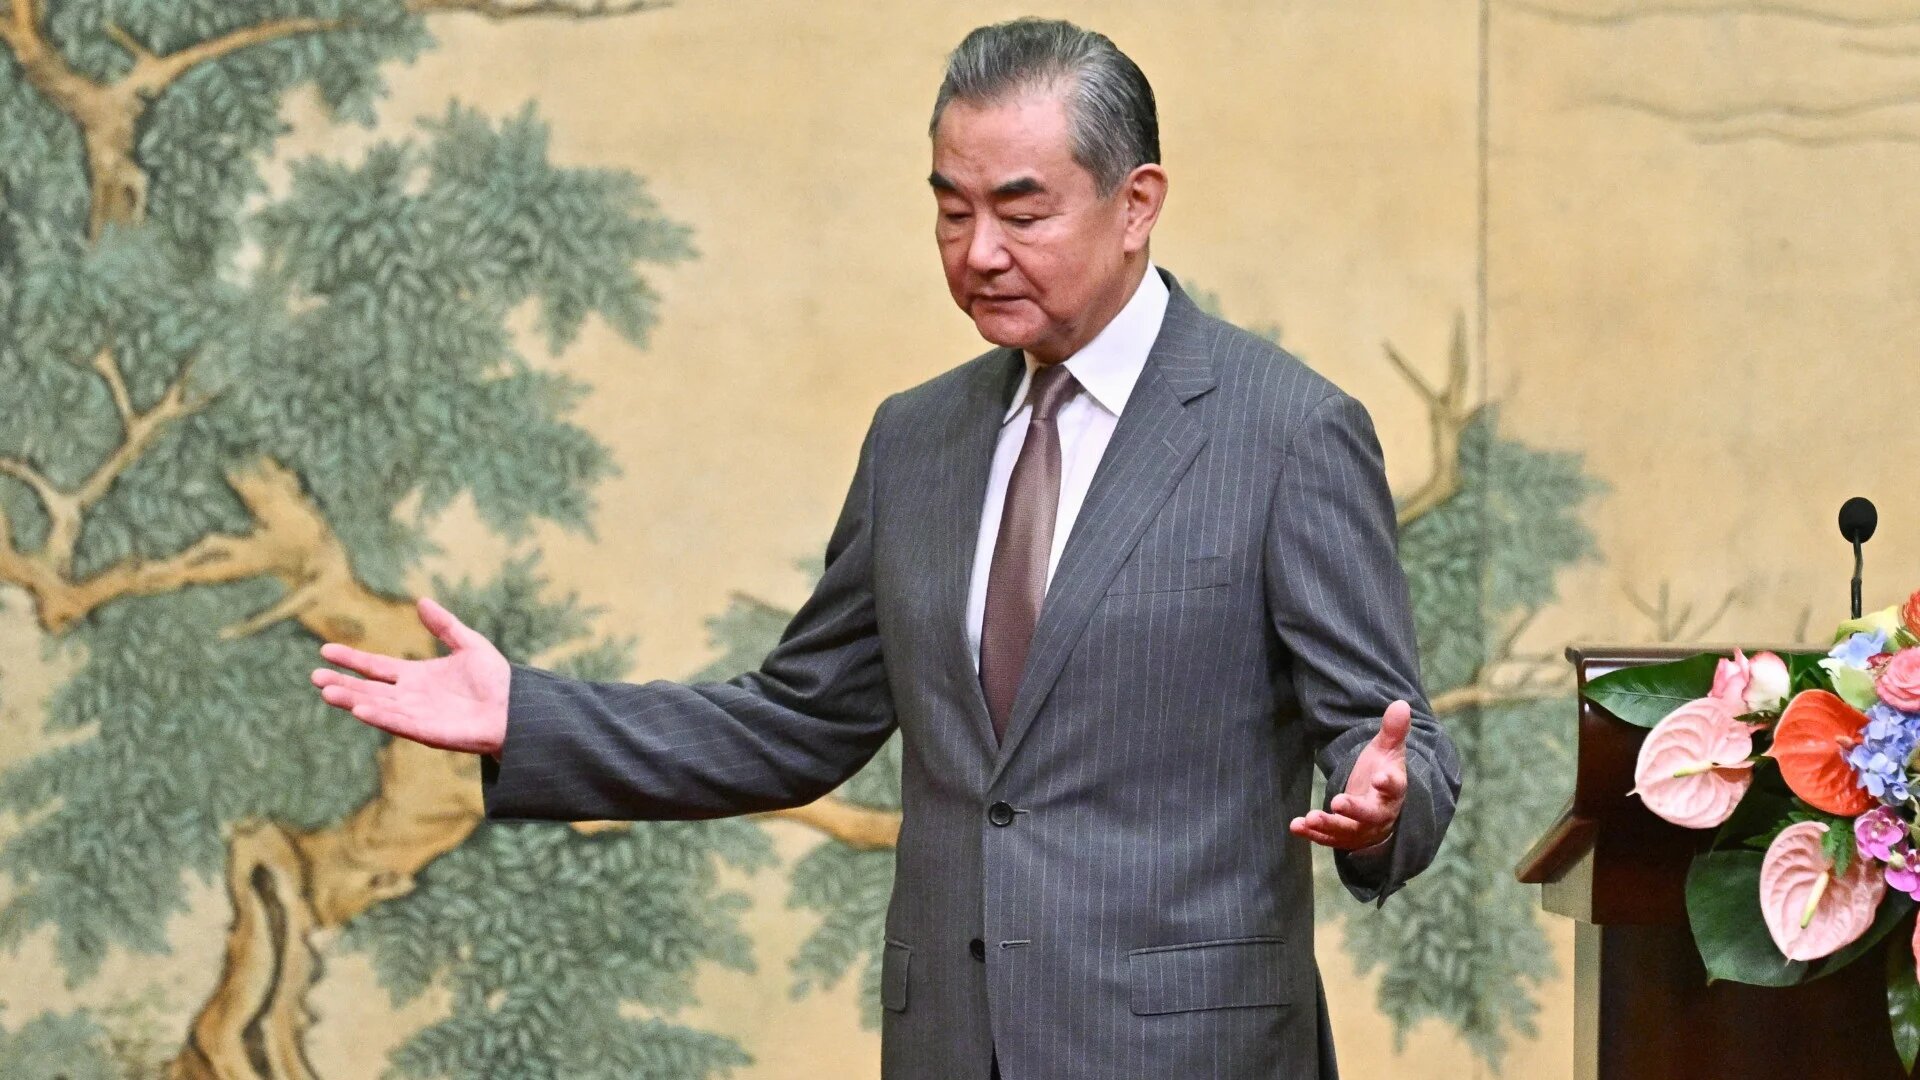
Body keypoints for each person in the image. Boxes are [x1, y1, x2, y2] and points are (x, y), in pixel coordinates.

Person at [312, 17, 1460, 1079]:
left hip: (1188, 1049)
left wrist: (1382, 803)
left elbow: (1388, 733)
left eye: (1022, 210)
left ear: (1137, 201)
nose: (980, 252)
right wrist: (531, 715)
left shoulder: (1287, 431)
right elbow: (800, 721)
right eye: (952, 211)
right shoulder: (917, 440)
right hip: (950, 1042)